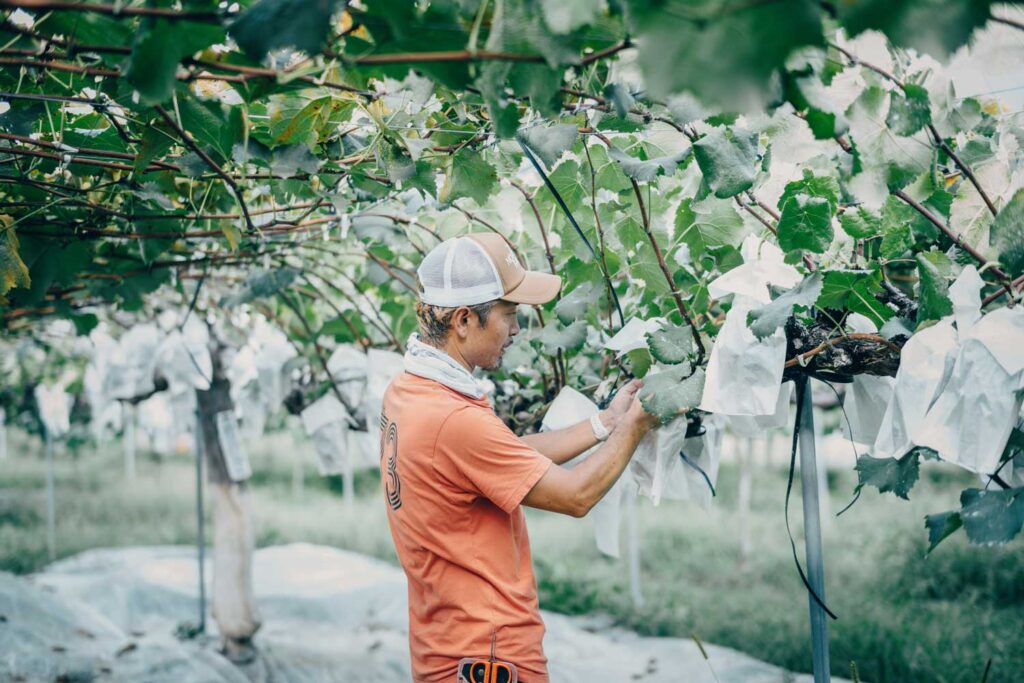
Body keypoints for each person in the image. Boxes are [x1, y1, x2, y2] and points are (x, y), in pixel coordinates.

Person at [379, 232, 660, 682]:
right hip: (489, 657)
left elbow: (500, 457)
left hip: (446, 646)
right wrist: (635, 427)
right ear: (465, 320)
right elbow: (576, 496)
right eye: (509, 316)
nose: (516, 330)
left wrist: (604, 424)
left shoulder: (411, 391)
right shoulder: (453, 418)